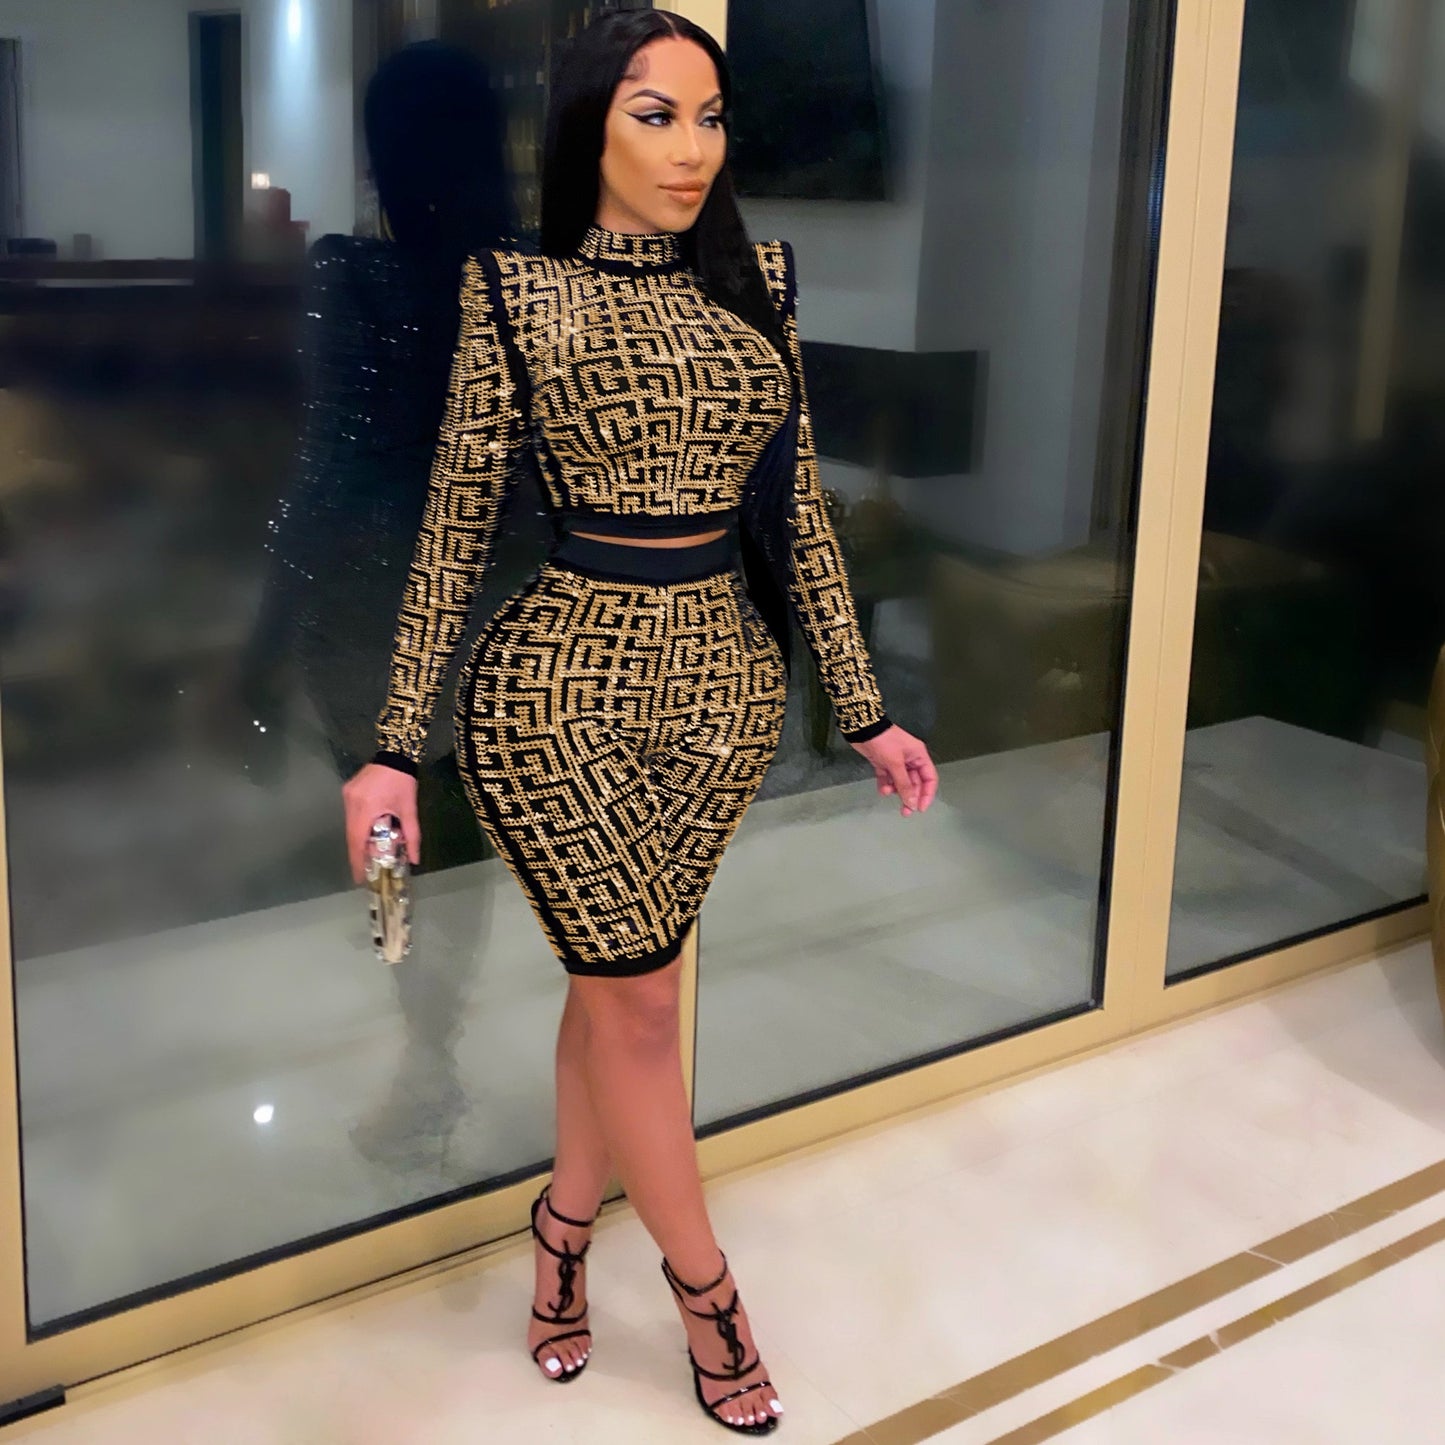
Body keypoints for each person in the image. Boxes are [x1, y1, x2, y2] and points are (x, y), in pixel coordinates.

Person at [343, 11, 938, 1434]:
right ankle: (708, 1296)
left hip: (724, 693)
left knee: (618, 990)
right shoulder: (516, 291)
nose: (693, 148)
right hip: (557, 694)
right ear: (586, 130)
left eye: (710, 117)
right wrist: (393, 742)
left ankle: (559, 1237)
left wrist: (861, 708)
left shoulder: (755, 284)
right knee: (645, 1002)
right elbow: (453, 524)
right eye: (654, 115)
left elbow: (795, 513)